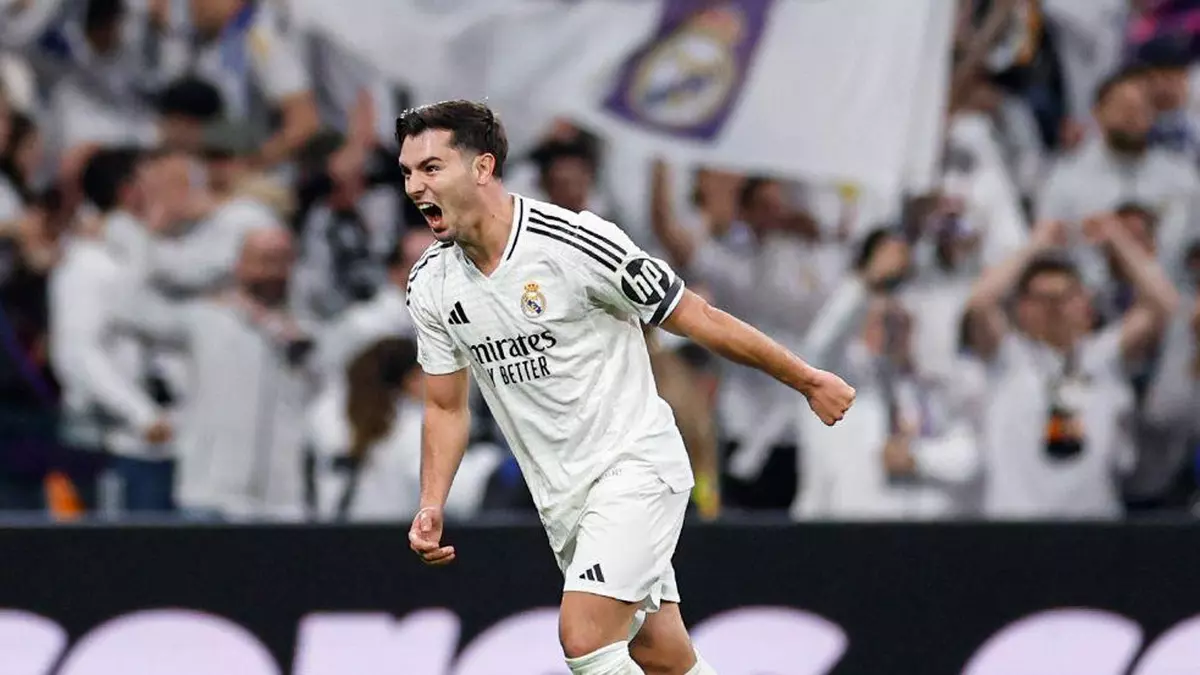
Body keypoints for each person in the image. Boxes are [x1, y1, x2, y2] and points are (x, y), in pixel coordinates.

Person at [398, 100, 855, 675]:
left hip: (635, 467)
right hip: (564, 500)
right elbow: (445, 406)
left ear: (483, 167)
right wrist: (431, 502)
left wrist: (806, 379)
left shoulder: (574, 243)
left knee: (584, 638)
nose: (414, 187)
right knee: (660, 654)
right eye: (407, 172)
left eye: (431, 168)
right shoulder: (431, 284)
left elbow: (698, 316)